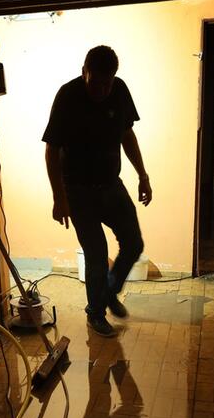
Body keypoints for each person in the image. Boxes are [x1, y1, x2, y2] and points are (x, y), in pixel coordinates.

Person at [42, 45, 151, 337]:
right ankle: (96, 313)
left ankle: (109, 291)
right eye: (95, 83)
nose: (101, 90)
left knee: (134, 244)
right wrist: (59, 198)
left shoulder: (119, 90)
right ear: (84, 73)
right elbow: (52, 150)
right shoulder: (68, 96)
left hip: (111, 185)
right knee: (96, 252)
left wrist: (143, 175)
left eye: (107, 84)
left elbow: (127, 134)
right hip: (77, 191)